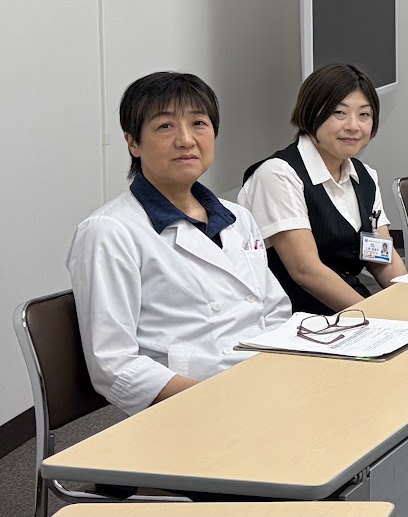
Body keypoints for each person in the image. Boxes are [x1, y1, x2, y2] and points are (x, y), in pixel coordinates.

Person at [67, 72, 292, 415]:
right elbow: (113, 365)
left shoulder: (237, 217)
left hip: (263, 381)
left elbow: (275, 310)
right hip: (191, 406)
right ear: (133, 143)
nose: (186, 140)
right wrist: (218, 400)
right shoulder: (108, 232)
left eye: (199, 123)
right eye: (165, 126)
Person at [240, 63, 407, 314]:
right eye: (339, 113)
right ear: (311, 113)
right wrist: (373, 316)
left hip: (350, 309)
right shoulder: (279, 174)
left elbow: (382, 258)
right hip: (296, 317)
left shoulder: (364, 176)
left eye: (364, 115)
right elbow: (305, 271)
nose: (353, 126)